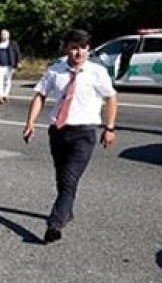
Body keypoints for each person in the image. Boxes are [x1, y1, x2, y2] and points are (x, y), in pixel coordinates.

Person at [22, 29, 118, 245]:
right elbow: (40, 96)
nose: (79, 52)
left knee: (70, 178)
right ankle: (67, 211)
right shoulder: (56, 71)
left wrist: (109, 128)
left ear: (88, 49)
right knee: (62, 177)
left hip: (84, 133)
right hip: (58, 131)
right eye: (74, 47)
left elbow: (111, 98)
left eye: (83, 48)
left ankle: (54, 225)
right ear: (66, 48)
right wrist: (30, 123)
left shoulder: (97, 72)